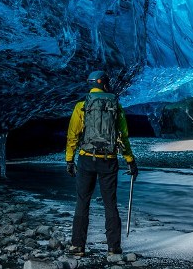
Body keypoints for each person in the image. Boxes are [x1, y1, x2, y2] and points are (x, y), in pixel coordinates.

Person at [65, 70, 139, 257]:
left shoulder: (82, 106)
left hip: (86, 159)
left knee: (82, 202)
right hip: (109, 161)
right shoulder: (116, 105)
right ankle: (114, 247)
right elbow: (123, 137)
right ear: (103, 83)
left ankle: (78, 246)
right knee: (110, 204)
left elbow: (72, 135)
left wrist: (69, 160)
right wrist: (130, 161)